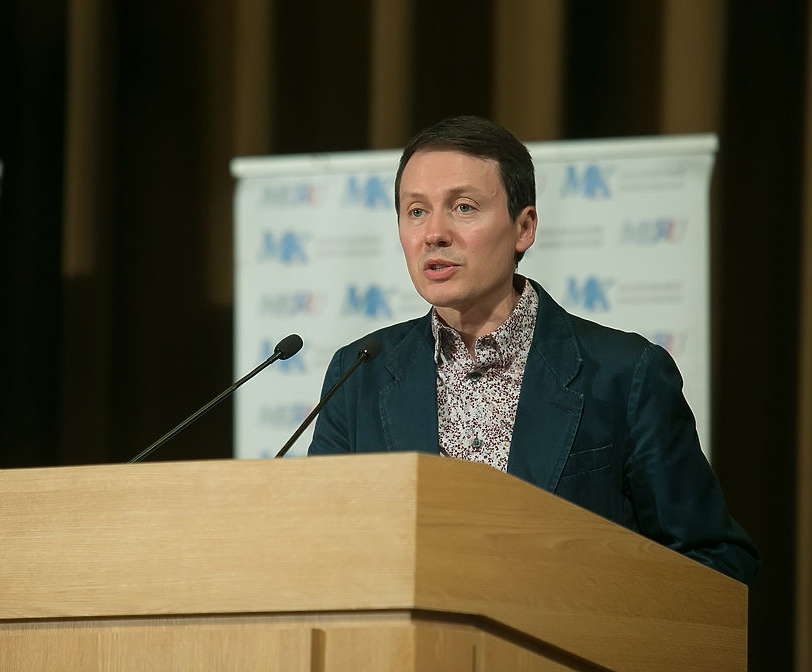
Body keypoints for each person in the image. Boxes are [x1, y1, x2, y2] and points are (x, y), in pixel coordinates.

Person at [307, 115, 760, 586]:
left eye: (463, 207)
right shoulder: (358, 375)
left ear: (524, 227)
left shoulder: (624, 375)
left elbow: (715, 560)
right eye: (416, 211)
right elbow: (318, 546)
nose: (434, 233)